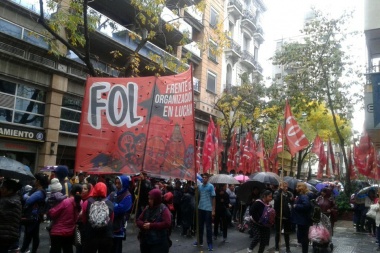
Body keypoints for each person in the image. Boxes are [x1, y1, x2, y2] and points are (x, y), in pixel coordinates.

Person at [81, 182, 114, 253]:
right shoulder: (110, 204)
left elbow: (84, 219)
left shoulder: (87, 202)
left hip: (91, 234)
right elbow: (111, 220)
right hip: (106, 235)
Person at [48, 184, 82, 253]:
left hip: (57, 232)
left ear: (70, 191)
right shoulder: (80, 202)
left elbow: (52, 213)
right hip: (70, 232)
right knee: (68, 250)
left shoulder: (66, 202)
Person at [20, 172, 49, 253]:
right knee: (33, 235)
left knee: (29, 234)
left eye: (35, 180)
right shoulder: (37, 190)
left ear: (38, 181)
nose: (34, 181)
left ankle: (24, 249)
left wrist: (26, 196)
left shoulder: (40, 192)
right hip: (35, 215)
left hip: (33, 215)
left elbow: (28, 200)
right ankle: (29, 250)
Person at [136, 188, 172, 253]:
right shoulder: (147, 208)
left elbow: (167, 223)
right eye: (149, 198)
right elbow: (138, 220)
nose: (149, 201)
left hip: (159, 242)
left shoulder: (163, 209)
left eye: (151, 199)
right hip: (146, 241)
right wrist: (144, 224)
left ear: (156, 199)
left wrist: (151, 225)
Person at [108, 175, 132, 253]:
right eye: (116, 183)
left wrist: (112, 206)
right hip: (110, 225)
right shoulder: (113, 193)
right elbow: (106, 203)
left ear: (124, 184)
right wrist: (114, 205)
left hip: (119, 225)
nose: (117, 185)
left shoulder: (127, 196)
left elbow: (120, 209)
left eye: (119, 183)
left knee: (117, 248)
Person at [193, 173, 216, 251]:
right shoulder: (200, 186)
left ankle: (209, 243)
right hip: (200, 208)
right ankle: (200, 241)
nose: (204, 178)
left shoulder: (211, 186)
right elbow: (196, 193)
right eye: (203, 177)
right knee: (200, 226)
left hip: (208, 209)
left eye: (205, 177)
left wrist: (213, 210)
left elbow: (213, 198)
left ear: (208, 178)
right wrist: (195, 188)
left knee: (208, 227)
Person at [0, 179, 23, 253]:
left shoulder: (6, 201)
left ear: (10, 190)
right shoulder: (16, 199)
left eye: (3, 188)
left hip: (3, 233)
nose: (1, 190)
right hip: (10, 234)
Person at [292, 182, 312, 253]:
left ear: (300, 188)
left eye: (297, 187)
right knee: (304, 237)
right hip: (302, 220)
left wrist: (296, 206)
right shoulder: (302, 196)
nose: (296, 188)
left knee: (304, 237)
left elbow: (306, 206)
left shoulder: (303, 196)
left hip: (303, 220)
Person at [273, 182, 293, 253]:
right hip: (279, 216)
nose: (286, 188)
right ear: (281, 187)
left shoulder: (289, 194)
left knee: (287, 233)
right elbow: (276, 201)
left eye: (287, 187)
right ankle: (276, 247)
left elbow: (291, 203)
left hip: (287, 216)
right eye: (284, 187)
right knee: (278, 233)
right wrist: (279, 192)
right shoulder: (277, 193)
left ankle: (288, 247)